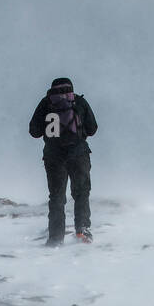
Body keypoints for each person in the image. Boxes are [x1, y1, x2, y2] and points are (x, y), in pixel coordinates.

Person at [28, 77, 97, 246]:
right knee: (81, 193)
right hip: (79, 154)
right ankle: (83, 230)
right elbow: (93, 128)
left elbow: (34, 131)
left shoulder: (46, 103)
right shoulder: (79, 101)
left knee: (57, 197)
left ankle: (56, 238)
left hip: (53, 156)